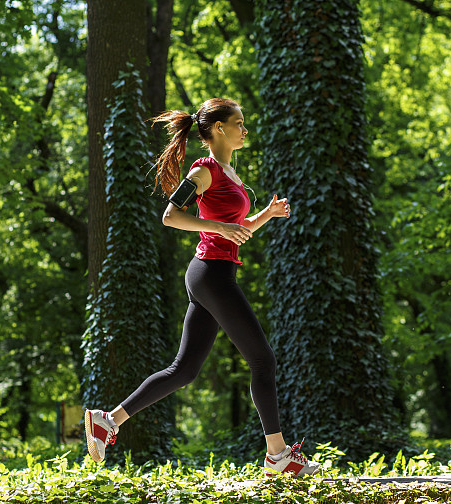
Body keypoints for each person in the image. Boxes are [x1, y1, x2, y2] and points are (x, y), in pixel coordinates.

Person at [84, 98, 319, 477]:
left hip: (213, 271)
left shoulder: (230, 172)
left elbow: (235, 229)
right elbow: (171, 216)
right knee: (263, 360)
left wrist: (266, 216)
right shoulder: (205, 170)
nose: (245, 129)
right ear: (220, 128)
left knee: (184, 370)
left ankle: (107, 420)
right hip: (211, 273)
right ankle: (278, 455)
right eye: (239, 123)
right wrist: (220, 228)